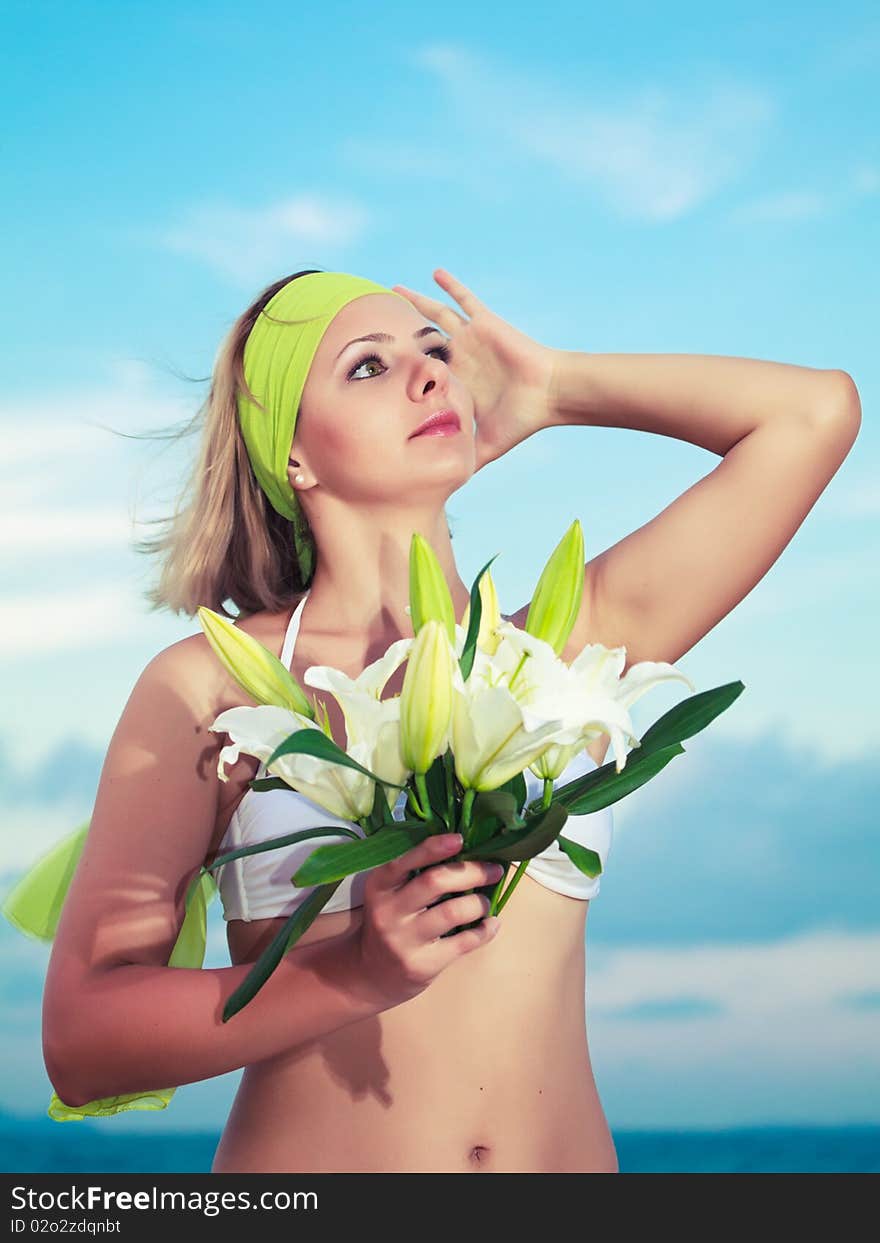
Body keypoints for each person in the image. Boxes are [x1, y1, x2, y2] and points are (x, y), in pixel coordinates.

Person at [33, 266, 860, 1174]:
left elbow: (814, 414)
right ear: (291, 456)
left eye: (435, 353)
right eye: (366, 367)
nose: (430, 376)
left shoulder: (566, 643)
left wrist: (553, 386)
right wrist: (352, 972)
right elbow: (85, 1039)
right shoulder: (219, 685)